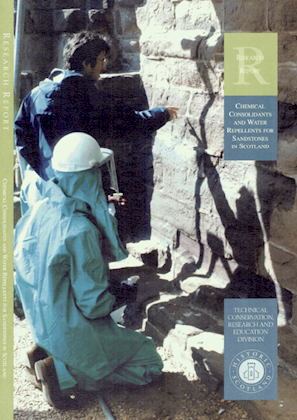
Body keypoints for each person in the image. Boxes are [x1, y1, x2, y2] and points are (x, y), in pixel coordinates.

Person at [14, 133, 164, 408]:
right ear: (90, 174)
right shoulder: (80, 230)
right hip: (71, 326)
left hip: (42, 320)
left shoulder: (38, 210)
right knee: (148, 361)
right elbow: (94, 306)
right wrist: (121, 293)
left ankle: (46, 352)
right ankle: (61, 373)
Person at [14, 31, 178, 191]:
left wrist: (43, 171)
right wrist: (163, 114)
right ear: (86, 63)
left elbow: (21, 136)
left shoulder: (35, 95)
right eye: (102, 60)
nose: (104, 66)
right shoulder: (90, 98)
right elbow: (132, 124)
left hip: (43, 188)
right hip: (79, 191)